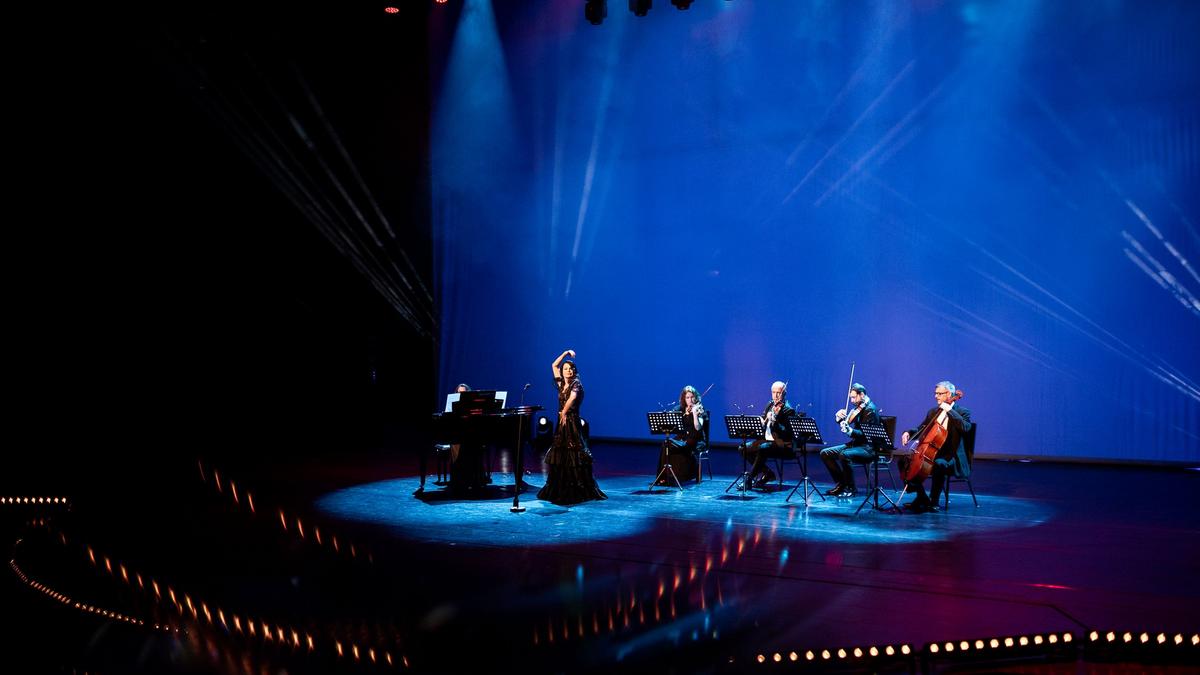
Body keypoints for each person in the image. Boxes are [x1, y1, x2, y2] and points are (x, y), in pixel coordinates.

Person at [537, 349, 607, 505]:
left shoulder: (577, 384)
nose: (568, 371)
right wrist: (565, 353)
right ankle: (560, 486)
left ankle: (577, 488)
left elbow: (572, 398)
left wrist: (564, 412)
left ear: (575, 371)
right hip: (562, 422)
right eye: (566, 369)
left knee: (574, 454)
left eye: (571, 369)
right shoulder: (561, 383)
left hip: (571, 422)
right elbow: (554, 365)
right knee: (561, 454)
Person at [900, 380, 973, 513]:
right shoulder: (933, 411)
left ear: (949, 394)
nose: (936, 396)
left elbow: (966, 428)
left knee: (939, 464)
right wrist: (908, 432)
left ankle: (934, 501)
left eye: (939, 394)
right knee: (903, 462)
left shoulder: (962, 412)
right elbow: (922, 429)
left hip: (952, 455)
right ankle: (921, 497)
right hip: (932, 452)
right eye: (935, 393)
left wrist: (949, 410)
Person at [819, 383, 880, 497]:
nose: (852, 401)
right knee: (825, 453)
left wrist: (850, 431)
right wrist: (839, 419)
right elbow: (846, 424)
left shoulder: (870, 410)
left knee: (844, 455)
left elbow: (865, 435)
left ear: (862, 395)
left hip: (868, 448)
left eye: (854, 397)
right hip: (856, 445)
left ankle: (851, 488)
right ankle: (842, 484)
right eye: (850, 398)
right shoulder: (859, 407)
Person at [738, 381, 795, 490]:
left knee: (763, 448)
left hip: (781, 444)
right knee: (742, 448)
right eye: (773, 392)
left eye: (779, 393)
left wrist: (775, 421)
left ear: (784, 393)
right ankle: (768, 473)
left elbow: (787, 434)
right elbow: (764, 420)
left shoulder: (788, 410)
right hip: (766, 440)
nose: (776, 396)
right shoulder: (770, 404)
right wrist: (761, 421)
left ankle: (749, 479)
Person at [654, 385, 708, 485]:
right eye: (687, 397)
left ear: (696, 397)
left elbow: (698, 428)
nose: (690, 400)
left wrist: (695, 414)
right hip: (682, 438)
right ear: (684, 399)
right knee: (666, 443)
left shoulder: (700, 409)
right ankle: (663, 477)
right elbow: (673, 423)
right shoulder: (679, 408)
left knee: (677, 446)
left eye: (692, 397)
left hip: (695, 440)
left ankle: (680, 476)